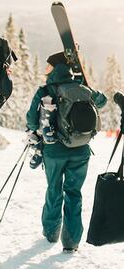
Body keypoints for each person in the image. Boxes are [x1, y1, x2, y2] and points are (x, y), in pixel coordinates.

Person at [26, 52, 107, 252]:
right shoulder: (82, 88)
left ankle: (51, 232)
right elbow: (103, 101)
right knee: (74, 193)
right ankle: (71, 242)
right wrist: (85, 84)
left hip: (54, 151)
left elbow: (31, 121)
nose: (46, 69)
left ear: (54, 69)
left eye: (48, 66)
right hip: (81, 151)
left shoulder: (45, 90)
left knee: (54, 189)